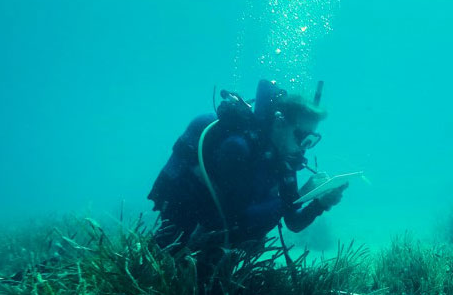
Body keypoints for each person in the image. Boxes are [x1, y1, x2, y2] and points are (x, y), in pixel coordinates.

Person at [148, 79, 346, 255]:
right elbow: (236, 218)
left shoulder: (284, 159)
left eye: (312, 140)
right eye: (302, 138)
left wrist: (320, 202)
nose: (305, 148)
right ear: (279, 124)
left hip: (223, 218)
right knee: (165, 253)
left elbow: (293, 222)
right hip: (189, 202)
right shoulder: (237, 147)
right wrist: (303, 192)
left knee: (241, 246)